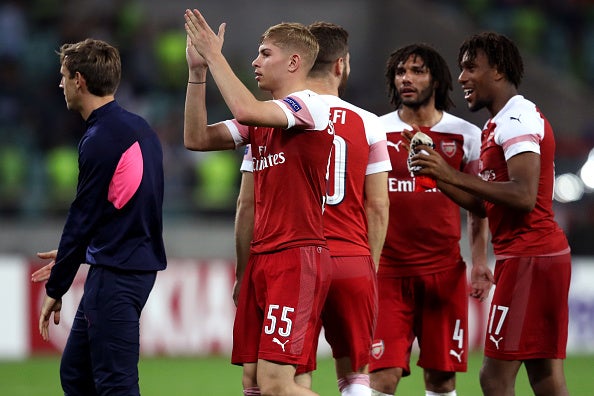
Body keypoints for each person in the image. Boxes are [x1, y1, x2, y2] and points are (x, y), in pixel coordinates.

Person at [409, 32, 571, 396]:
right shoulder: (499, 124)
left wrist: (450, 173)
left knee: (494, 378)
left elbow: (524, 195)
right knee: (544, 376)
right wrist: (438, 177)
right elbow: (489, 205)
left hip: (530, 256)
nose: (462, 77)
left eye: (471, 68)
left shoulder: (518, 118)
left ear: (497, 70)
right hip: (535, 256)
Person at [183, 9, 333, 396]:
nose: (255, 61)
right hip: (262, 259)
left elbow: (245, 109)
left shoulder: (310, 106)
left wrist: (217, 56)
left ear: (294, 62)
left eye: (265, 53)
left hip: (296, 256)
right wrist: (198, 72)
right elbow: (197, 137)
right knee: (253, 384)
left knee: (276, 385)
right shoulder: (260, 125)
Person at [237, 22, 391, 396]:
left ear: (300, 62)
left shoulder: (274, 117)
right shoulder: (369, 123)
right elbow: (378, 206)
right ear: (341, 65)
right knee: (354, 376)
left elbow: (246, 204)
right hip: (352, 257)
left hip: (294, 258)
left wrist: (244, 270)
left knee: (285, 378)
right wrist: (368, 265)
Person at [32, 38, 167, 396]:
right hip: (128, 265)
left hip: (117, 275)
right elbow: (123, 208)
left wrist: (57, 286)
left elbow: (83, 217)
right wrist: (73, 255)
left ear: (79, 79)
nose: (59, 85)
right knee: (77, 374)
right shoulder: (139, 129)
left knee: (116, 384)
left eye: (62, 76)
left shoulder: (101, 138)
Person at [368, 43, 493, 396]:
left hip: (444, 274)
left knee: (442, 379)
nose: (407, 78)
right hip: (387, 273)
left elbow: (478, 206)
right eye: (401, 72)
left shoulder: (466, 135)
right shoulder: (374, 131)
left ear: (436, 80)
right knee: (382, 376)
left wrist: (480, 262)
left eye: (417, 71)